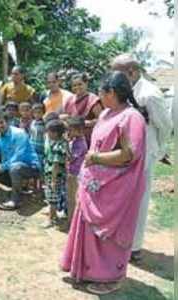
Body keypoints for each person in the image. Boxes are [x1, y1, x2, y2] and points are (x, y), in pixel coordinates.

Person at [61, 71, 147, 295]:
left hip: (116, 187)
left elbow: (129, 153)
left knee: (107, 233)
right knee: (88, 227)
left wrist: (96, 158)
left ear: (114, 93)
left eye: (102, 92)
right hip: (94, 184)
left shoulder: (131, 117)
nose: (99, 97)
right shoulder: (107, 113)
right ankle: (86, 270)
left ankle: (111, 277)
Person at [111, 54, 173, 262]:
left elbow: (165, 126)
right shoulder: (122, 90)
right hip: (124, 151)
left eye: (117, 72)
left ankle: (134, 247)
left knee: (139, 198)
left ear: (131, 71)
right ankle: (120, 240)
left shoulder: (150, 94)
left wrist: (159, 150)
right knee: (122, 197)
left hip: (145, 152)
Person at [0, 113, 41, 210]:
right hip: (12, 169)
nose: (0, 126)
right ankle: (22, 186)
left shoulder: (19, 134)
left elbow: (19, 156)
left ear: (7, 122)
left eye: (1, 122)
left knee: (15, 167)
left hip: (30, 168)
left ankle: (15, 200)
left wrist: (1, 167)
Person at [60, 72, 103, 144]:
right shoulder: (70, 100)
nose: (77, 87)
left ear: (86, 84)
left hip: (88, 140)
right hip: (71, 140)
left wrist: (86, 123)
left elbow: (101, 120)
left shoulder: (93, 100)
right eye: (74, 85)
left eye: (80, 84)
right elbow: (65, 116)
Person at [43, 119, 69, 227]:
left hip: (55, 175)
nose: (47, 134)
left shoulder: (58, 146)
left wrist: (53, 180)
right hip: (56, 174)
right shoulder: (62, 142)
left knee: (52, 197)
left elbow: (56, 164)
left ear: (55, 133)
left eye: (48, 132)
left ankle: (51, 218)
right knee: (53, 196)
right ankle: (52, 214)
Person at [66, 116, 88, 226]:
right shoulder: (75, 141)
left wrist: (64, 145)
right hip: (72, 172)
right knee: (70, 198)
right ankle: (71, 221)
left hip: (75, 174)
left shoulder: (80, 143)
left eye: (70, 130)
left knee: (73, 199)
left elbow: (71, 158)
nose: (68, 132)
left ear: (79, 130)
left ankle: (73, 223)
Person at [29, 103, 46, 169]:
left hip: (41, 149)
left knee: (40, 165)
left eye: (39, 112)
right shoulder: (32, 123)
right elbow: (30, 134)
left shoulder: (45, 124)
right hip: (32, 147)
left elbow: (45, 137)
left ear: (43, 113)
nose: (37, 114)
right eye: (35, 113)